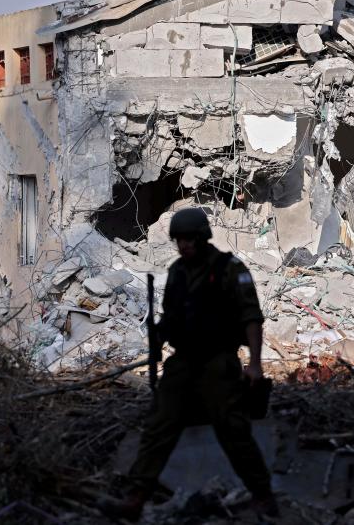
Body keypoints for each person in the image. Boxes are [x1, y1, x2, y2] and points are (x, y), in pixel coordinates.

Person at [107, 207, 277, 520]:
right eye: (179, 240)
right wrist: (157, 340)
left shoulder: (229, 268)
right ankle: (137, 496)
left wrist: (255, 363)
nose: (183, 245)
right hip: (183, 363)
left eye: (188, 239)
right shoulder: (177, 272)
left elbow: (252, 317)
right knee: (159, 426)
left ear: (201, 238)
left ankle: (263, 495)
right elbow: (170, 317)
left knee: (233, 430)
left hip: (218, 362)